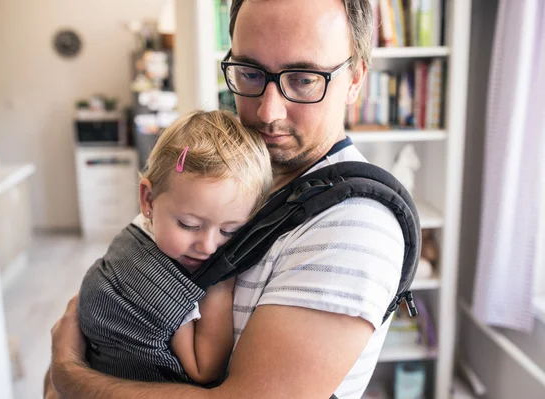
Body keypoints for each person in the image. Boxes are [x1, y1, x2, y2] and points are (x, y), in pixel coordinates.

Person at [46, 0, 405, 398]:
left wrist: (68, 375)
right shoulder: (227, 173)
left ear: (355, 78)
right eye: (250, 73)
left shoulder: (352, 227)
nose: (268, 111)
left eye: (304, 79)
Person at [77, 110, 273, 384]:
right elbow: (204, 369)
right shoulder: (157, 283)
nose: (208, 246)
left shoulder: (147, 225)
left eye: (230, 231)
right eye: (189, 224)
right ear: (148, 200)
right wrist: (220, 285)